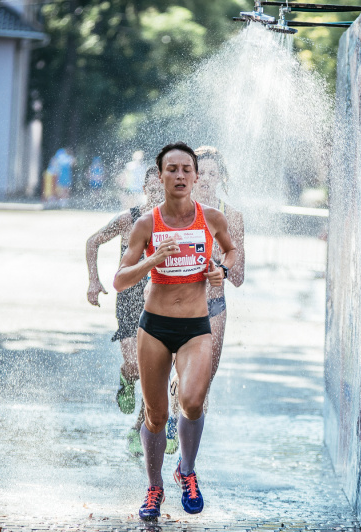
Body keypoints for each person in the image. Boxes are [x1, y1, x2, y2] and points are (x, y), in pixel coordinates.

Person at [113, 142, 237, 521]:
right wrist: (153, 259)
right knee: (155, 414)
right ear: (160, 176)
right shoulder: (146, 223)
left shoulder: (212, 218)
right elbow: (119, 280)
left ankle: (186, 469)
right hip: (155, 327)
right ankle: (154, 488)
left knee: (193, 401)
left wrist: (223, 271)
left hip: (196, 328)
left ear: (196, 177)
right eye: (172, 169)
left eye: (187, 169)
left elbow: (231, 252)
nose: (180, 176)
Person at [85, 166, 178, 456]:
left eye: (160, 190)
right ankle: (127, 377)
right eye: (151, 190)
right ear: (144, 190)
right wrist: (93, 280)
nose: (155, 195)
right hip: (130, 298)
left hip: (161, 300)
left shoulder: (175, 221)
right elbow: (93, 241)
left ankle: (143, 427)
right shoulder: (130, 219)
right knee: (137, 368)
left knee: (160, 376)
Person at [168, 146, 245, 415]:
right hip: (177, 305)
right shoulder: (174, 210)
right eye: (204, 172)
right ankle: (173, 418)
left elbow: (239, 277)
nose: (208, 178)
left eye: (215, 173)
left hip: (213, 307)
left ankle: (187, 455)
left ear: (221, 178)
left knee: (203, 388)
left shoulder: (232, 217)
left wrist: (221, 264)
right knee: (184, 378)